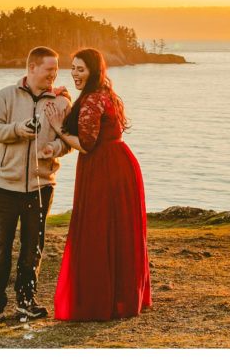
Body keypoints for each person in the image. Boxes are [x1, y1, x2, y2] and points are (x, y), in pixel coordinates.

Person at [44, 48, 152, 321]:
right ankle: (122, 298)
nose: (75, 74)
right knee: (119, 231)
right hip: (120, 164)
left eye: (81, 69)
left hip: (104, 167)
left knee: (97, 229)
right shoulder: (106, 94)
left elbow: (86, 144)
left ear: (93, 70)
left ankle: (99, 300)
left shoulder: (93, 100)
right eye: (73, 68)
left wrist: (58, 129)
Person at [0, 46, 72, 327]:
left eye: (56, 71)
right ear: (31, 68)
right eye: (49, 70)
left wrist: (53, 147)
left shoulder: (61, 102)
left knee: (33, 246)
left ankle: (26, 302)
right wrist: (18, 129)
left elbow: (69, 142)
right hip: (5, 185)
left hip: (42, 185)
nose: (54, 76)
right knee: (0, 246)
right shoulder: (5, 96)